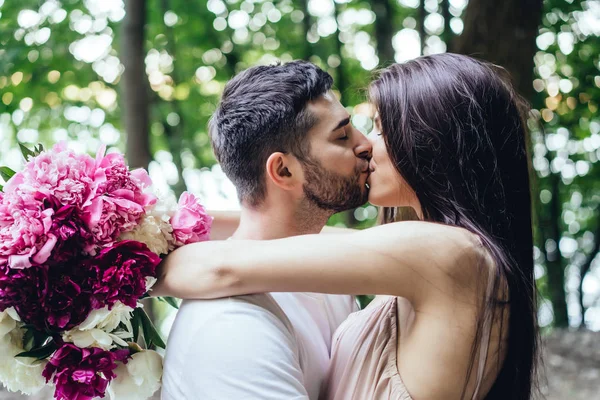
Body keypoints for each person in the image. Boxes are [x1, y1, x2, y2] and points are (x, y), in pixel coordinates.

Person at [155, 53, 539, 400]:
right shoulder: (452, 255)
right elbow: (311, 239)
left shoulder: (444, 254)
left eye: (379, 129)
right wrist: (174, 223)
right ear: (283, 170)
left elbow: (218, 268)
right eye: (350, 132)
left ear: (430, 144)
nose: (367, 145)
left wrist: (117, 265)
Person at [160, 60, 372, 400]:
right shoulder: (231, 327)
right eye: (343, 135)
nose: (365, 145)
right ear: (284, 170)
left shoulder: (330, 273)